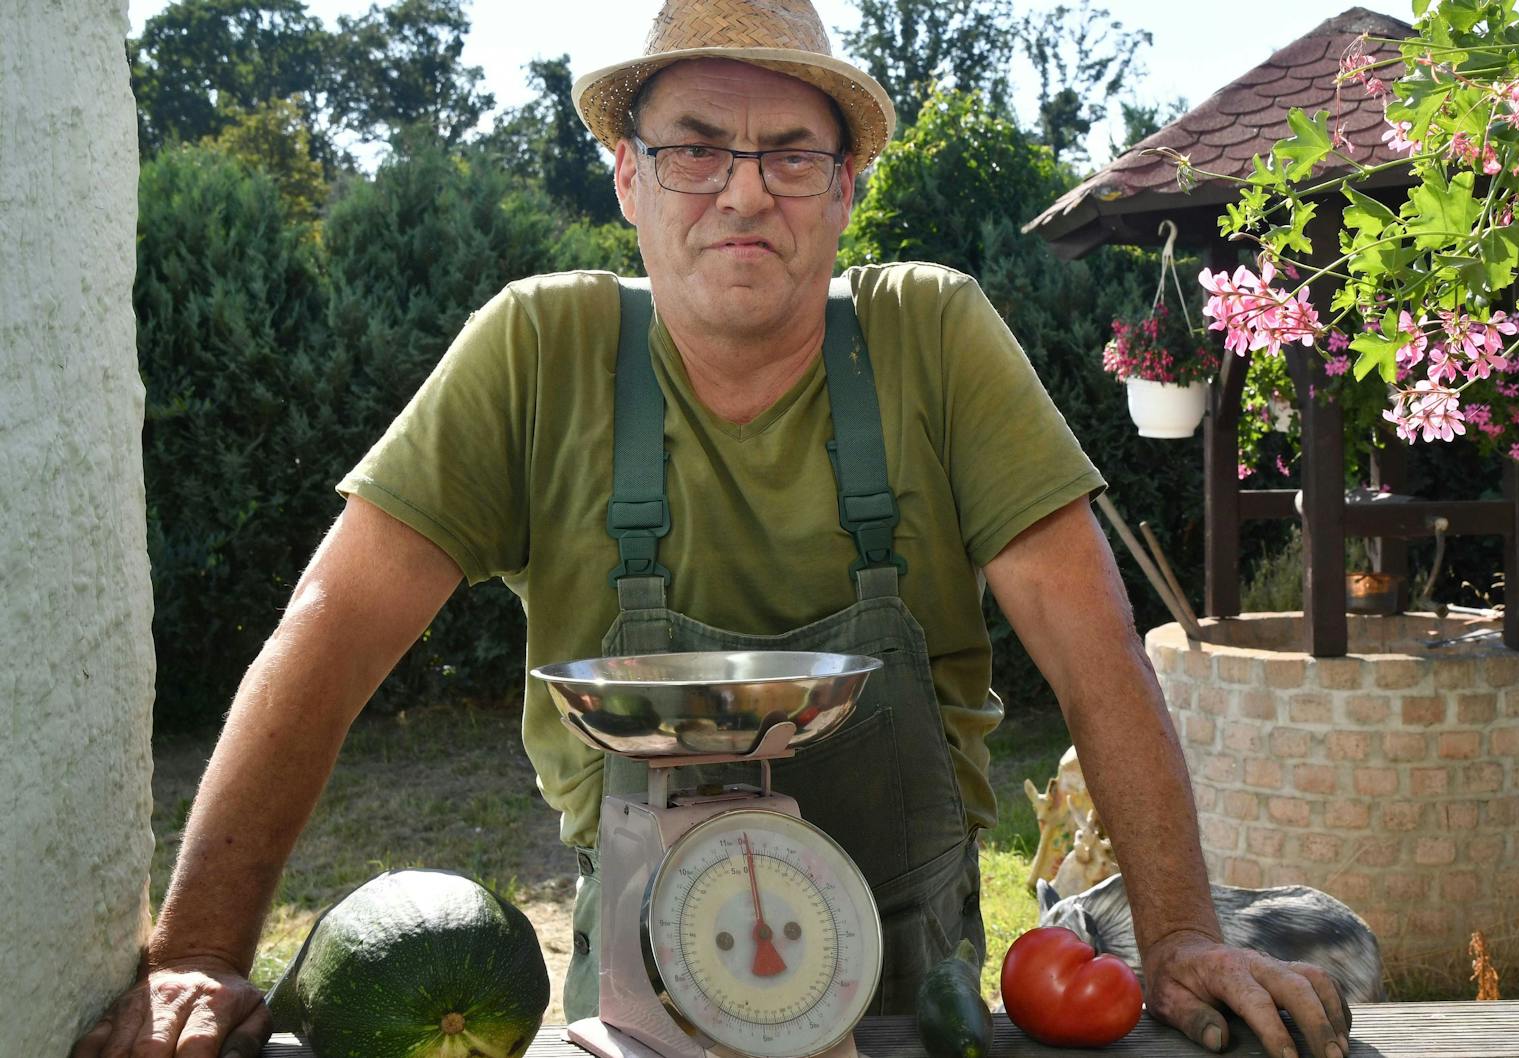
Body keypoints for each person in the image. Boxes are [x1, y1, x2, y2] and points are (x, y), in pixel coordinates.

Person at [75, 3, 1353, 1057]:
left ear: (846, 188)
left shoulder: (936, 334)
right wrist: (193, 953)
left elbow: (1093, 651)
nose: (744, 191)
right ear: (626, 175)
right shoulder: (536, 349)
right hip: (636, 986)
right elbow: (329, 637)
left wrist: (1181, 930)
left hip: (919, 982)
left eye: (791, 153)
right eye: (695, 147)